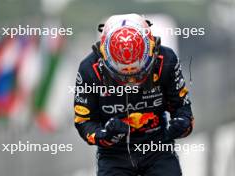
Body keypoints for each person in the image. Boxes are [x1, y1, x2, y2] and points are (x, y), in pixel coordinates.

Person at [74, 13, 194, 176]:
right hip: (113, 155)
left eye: (138, 74)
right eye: (123, 76)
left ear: (152, 49)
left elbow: (182, 108)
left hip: (157, 149)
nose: (131, 80)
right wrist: (105, 135)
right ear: (103, 57)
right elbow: (83, 121)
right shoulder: (89, 69)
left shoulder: (166, 60)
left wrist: (182, 125)